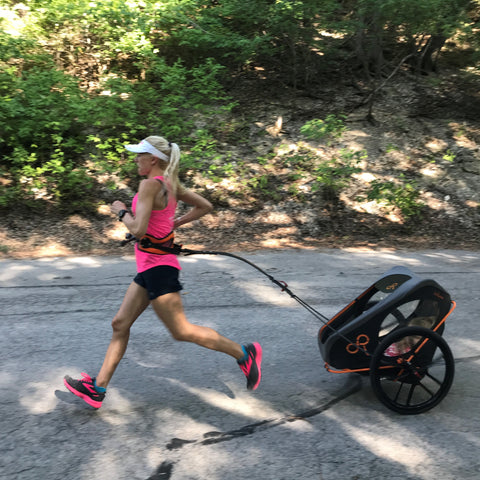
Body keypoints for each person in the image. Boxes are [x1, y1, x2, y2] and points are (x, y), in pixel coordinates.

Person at [64, 136, 262, 409]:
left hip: (158, 268)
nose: (136, 160)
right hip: (150, 266)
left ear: (153, 159)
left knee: (181, 330)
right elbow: (205, 206)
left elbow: (139, 229)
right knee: (119, 324)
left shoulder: (149, 185)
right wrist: (174, 223)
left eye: (139, 156)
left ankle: (244, 353)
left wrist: (121, 211)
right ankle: (97, 388)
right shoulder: (170, 184)